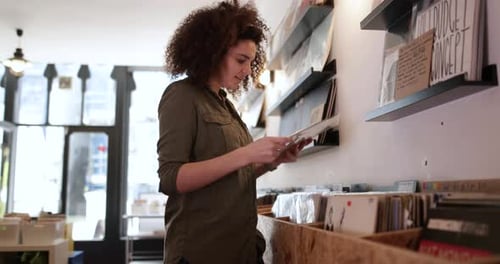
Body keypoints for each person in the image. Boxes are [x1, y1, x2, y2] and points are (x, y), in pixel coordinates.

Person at [157, 1, 310, 263]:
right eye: (241, 60)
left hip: (241, 248)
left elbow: (231, 174)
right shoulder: (182, 96)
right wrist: (247, 154)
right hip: (201, 252)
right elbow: (171, 177)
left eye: (250, 62)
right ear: (213, 52)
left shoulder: (226, 105)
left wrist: (270, 162)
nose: (247, 71)